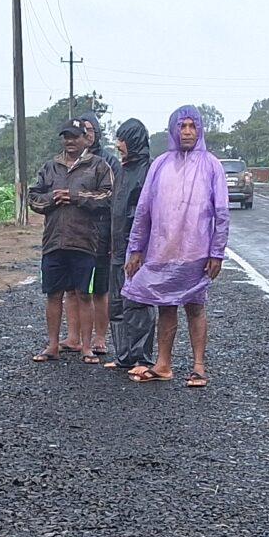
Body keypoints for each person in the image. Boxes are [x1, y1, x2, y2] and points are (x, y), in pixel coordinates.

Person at [121, 106, 228, 387]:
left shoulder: (211, 165)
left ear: (200, 129)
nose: (188, 131)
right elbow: (144, 209)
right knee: (165, 306)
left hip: (197, 252)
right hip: (162, 250)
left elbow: (222, 212)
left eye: (193, 126)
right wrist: (136, 250)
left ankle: (199, 367)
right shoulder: (160, 165)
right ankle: (163, 364)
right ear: (173, 130)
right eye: (182, 126)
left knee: (195, 306)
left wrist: (217, 252)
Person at [25, 120, 115, 362]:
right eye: (66, 137)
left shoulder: (98, 166)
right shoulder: (50, 167)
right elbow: (33, 198)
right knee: (53, 294)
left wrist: (76, 197)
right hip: (54, 242)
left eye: (75, 137)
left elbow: (107, 197)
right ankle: (52, 345)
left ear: (86, 138)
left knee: (84, 294)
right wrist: (53, 199)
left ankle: (86, 347)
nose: (70, 141)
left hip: (85, 242)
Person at [103, 118, 156, 371]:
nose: (118, 144)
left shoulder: (148, 170)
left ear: (133, 140)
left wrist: (140, 249)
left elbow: (145, 214)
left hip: (137, 250)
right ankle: (124, 356)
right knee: (117, 303)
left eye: (122, 139)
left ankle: (142, 358)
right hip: (117, 247)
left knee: (139, 303)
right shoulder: (123, 170)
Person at [74, 114, 112, 359]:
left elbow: (112, 198)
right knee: (74, 289)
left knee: (99, 288)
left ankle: (100, 336)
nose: (86, 134)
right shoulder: (70, 161)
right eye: (82, 130)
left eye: (90, 129)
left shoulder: (107, 162)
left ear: (97, 132)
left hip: (101, 231)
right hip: (74, 234)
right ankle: (72, 336)